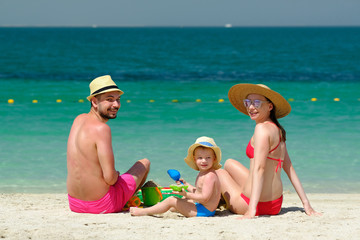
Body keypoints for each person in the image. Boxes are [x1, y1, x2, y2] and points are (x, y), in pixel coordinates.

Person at [216, 83, 321, 219]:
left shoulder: (261, 129)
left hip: (253, 203)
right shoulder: (278, 131)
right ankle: (228, 196)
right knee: (229, 163)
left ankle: (220, 199)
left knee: (219, 172)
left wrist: (252, 210)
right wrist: (306, 203)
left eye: (257, 103)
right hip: (275, 204)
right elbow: (289, 168)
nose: (251, 107)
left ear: (270, 106)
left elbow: (260, 168)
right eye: (248, 102)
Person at [67, 75, 150, 214]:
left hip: (75, 203)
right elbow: (110, 179)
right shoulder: (102, 129)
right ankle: (129, 199)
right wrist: (116, 175)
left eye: (118, 100)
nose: (116, 105)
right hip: (101, 204)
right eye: (109, 100)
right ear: (94, 102)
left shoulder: (78, 119)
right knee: (144, 163)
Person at [130, 136, 221, 217]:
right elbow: (198, 192)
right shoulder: (204, 173)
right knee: (182, 200)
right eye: (200, 158)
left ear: (214, 159)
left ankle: (145, 211)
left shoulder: (210, 176)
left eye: (208, 157)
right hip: (202, 207)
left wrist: (186, 193)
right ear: (194, 159)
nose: (204, 161)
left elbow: (204, 198)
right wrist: (185, 184)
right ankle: (162, 207)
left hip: (204, 211)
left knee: (171, 200)